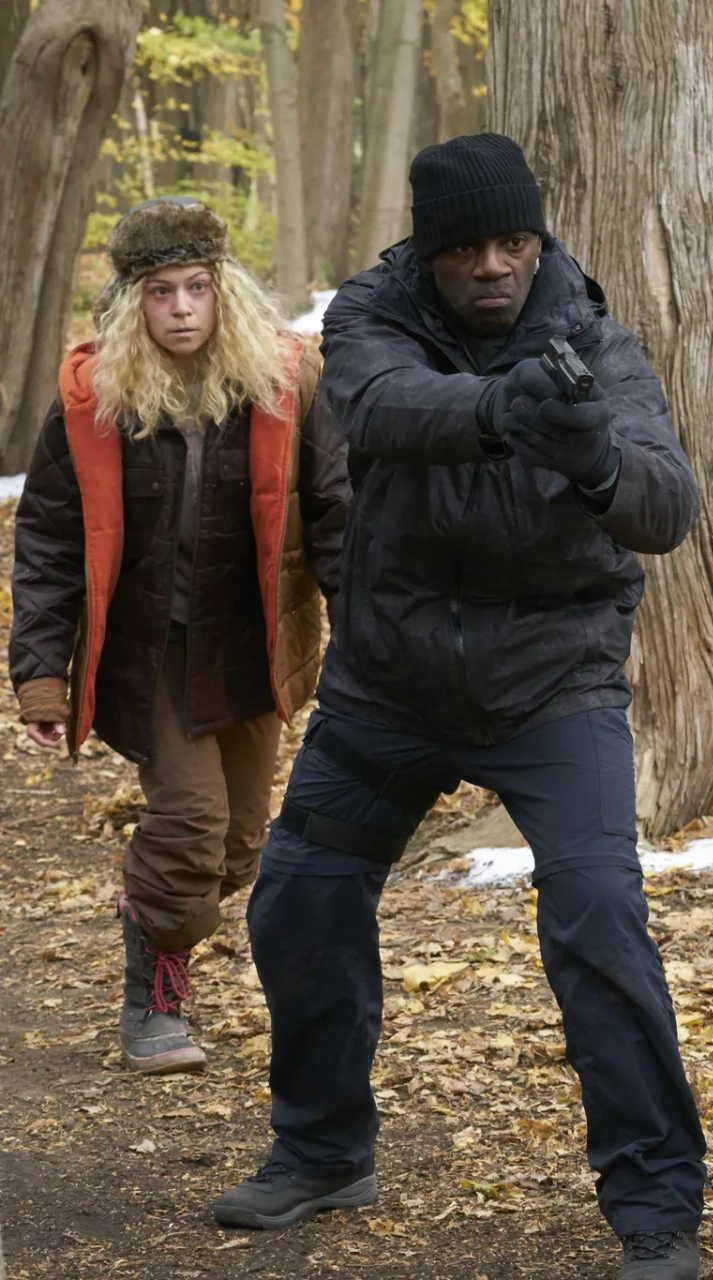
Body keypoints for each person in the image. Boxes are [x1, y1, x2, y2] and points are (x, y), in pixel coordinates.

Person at [209, 133, 706, 1280]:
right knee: (299, 898)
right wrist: (503, 407)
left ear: (537, 241)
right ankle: (325, 1146)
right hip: (390, 681)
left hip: (553, 677)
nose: (494, 265)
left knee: (597, 915)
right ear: (429, 254)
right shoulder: (369, 318)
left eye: (514, 242)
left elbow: (667, 504)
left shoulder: (595, 338)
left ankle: (656, 1205)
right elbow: (383, 410)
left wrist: (592, 461)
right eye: (469, 247)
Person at [9, 197, 349, 1076]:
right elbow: (46, 539)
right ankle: (152, 997)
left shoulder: (285, 382)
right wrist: (42, 675)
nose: (184, 308)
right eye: (162, 292)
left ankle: (157, 917)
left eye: (199, 287)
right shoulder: (94, 400)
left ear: (225, 292)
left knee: (241, 840)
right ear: (132, 304)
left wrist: (369, 637)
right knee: (192, 822)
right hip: (150, 653)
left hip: (253, 645)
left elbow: (337, 516)